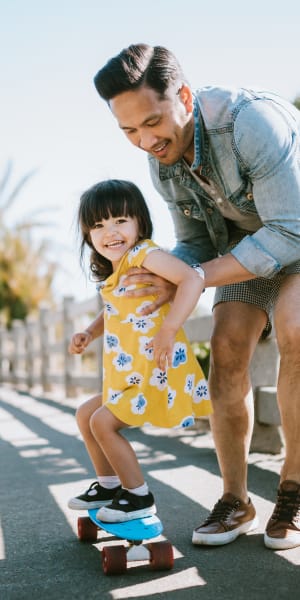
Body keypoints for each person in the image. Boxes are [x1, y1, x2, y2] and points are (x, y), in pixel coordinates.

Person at [81, 43, 300, 549]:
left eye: (152, 123)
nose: (145, 141)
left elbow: (288, 233)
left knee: (294, 327)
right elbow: (198, 244)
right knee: (224, 352)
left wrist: (195, 275)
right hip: (240, 248)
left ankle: (293, 488)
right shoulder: (164, 162)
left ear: (182, 95)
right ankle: (235, 499)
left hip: (296, 231)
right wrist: (169, 274)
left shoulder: (251, 123)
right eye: (129, 131)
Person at [68, 178, 211, 523]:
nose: (110, 232)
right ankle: (109, 484)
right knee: (86, 414)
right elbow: (115, 308)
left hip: (155, 369)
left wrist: (169, 328)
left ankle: (138, 496)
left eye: (120, 220)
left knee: (103, 423)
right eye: (99, 225)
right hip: (130, 373)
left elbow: (192, 279)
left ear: (139, 223)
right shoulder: (119, 269)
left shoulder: (144, 254)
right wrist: (89, 331)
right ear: (88, 235)